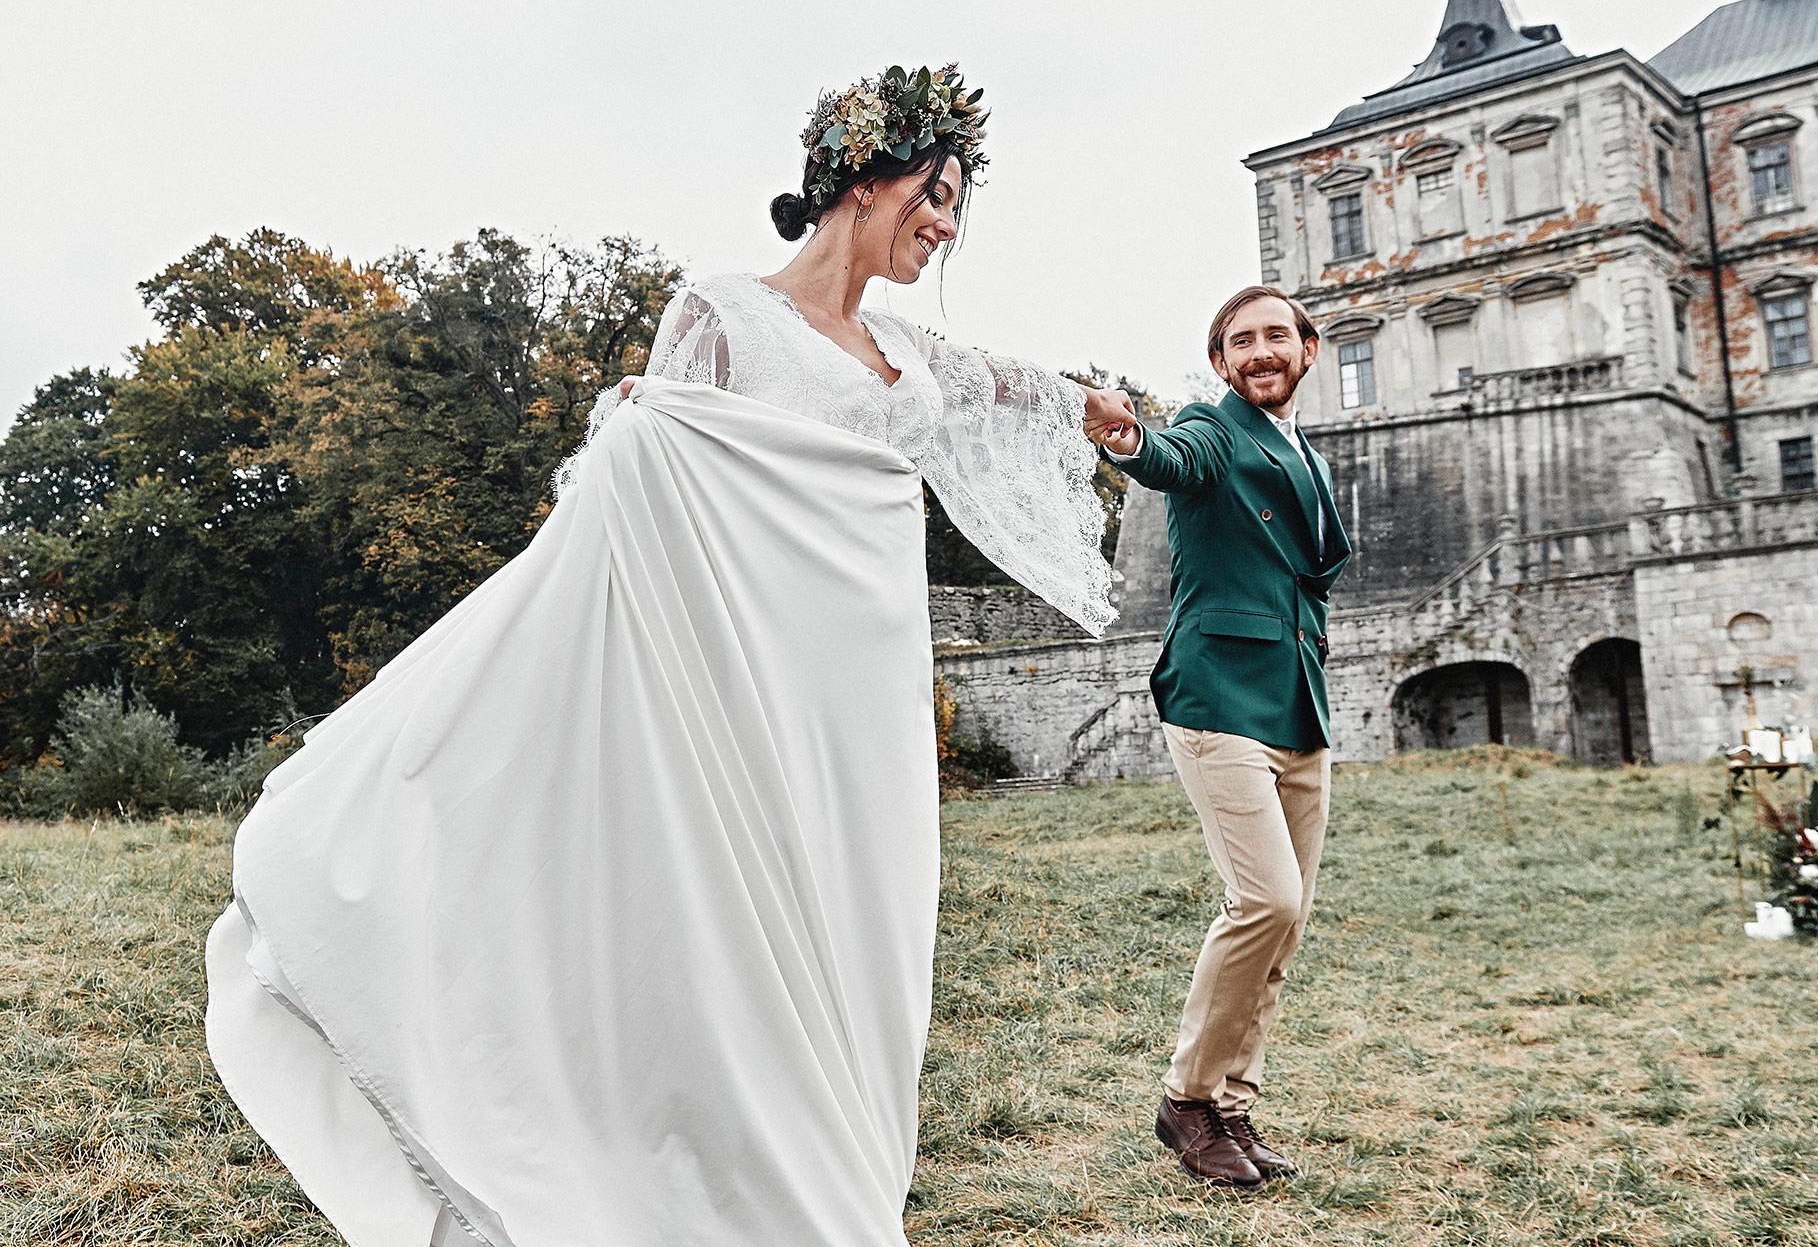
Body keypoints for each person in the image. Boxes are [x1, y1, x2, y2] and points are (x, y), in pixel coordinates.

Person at [204, 64, 1137, 1247]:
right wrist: (633, 424)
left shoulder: (903, 348)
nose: (945, 223)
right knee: (722, 920)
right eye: (934, 192)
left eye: (958, 203)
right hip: (730, 680)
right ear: (862, 173)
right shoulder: (724, 314)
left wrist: (1089, 398)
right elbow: (638, 487)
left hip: (859, 697)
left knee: (862, 926)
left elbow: (1003, 385)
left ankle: (841, 1173)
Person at [1096, 285, 1351, 1189]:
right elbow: (1170, 456)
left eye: (1276, 335)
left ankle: (1232, 1106)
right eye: (1240, 341)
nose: (1260, 352)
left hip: (1297, 700)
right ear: (1220, 364)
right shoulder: (1215, 429)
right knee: (1266, 899)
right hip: (1216, 694)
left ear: (1308, 349)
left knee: (1286, 926)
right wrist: (1128, 437)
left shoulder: (1307, 455)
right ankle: (1185, 1098)